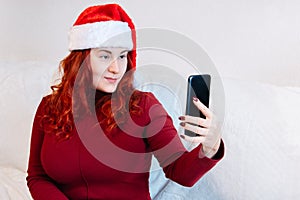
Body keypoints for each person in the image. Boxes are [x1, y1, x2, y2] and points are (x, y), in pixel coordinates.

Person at [26, 3, 224, 200]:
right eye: (105, 56)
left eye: (122, 56)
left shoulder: (144, 106)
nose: (116, 68)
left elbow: (179, 172)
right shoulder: (49, 107)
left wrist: (210, 148)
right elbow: (37, 176)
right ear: (81, 60)